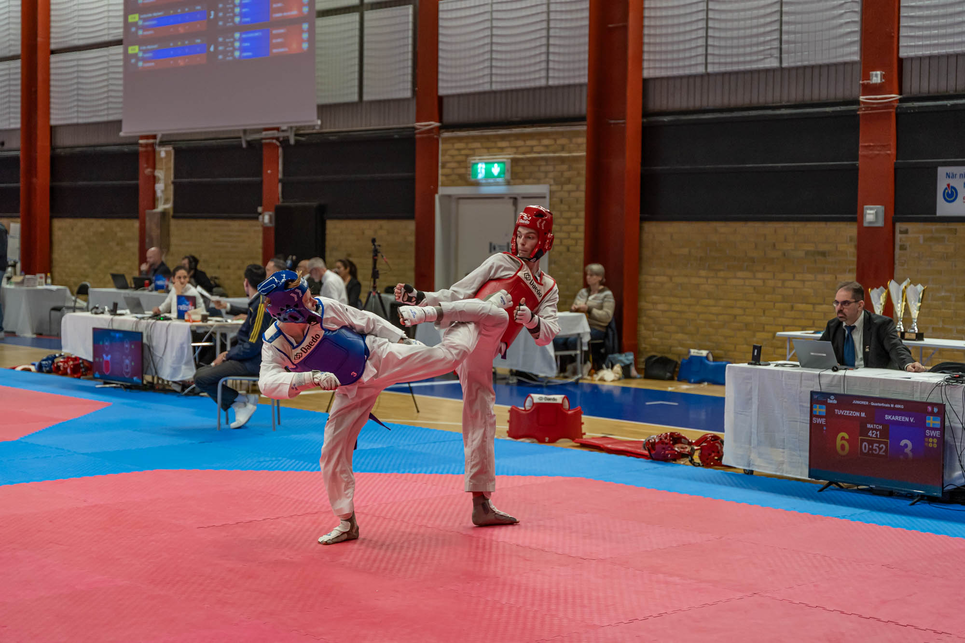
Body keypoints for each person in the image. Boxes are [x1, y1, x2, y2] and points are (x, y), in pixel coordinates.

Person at [257, 270, 512, 544]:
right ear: (290, 310)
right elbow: (266, 382)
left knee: (449, 357)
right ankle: (346, 522)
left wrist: (401, 339)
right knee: (332, 450)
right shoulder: (275, 344)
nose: (313, 300)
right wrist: (309, 378)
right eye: (306, 299)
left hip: (378, 356)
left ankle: (475, 314)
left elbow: (365, 319)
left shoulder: (325, 308)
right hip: (352, 389)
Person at [394, 205, 561, 526]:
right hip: (464, 327)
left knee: (482, 417)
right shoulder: (501, 262)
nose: (522, 242)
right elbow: (458, 292)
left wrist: (531, 320)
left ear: (544, 241)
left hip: (485, 347)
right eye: (520, 235)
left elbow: (548, 334)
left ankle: (481, 503)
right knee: (493, 312)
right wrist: (422, 296)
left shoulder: (548, 288)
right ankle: (415, 325)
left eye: (530, 237)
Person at [194, 264, 272, 428]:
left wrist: (227, 355)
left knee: (201, 378)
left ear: (246, 282)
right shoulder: (258, 303)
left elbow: (253, 345)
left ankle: (239, 402)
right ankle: (240, 401)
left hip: (253, 361)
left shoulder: (261, 306)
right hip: (248, 357)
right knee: (201, 373)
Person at [819, 281, 925, 372]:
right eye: (836, 303)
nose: (839, 308)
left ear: (860, 305)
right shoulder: (833, 326)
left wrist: (908, 364)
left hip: (872, 380)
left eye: (845, 303)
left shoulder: (881, 325)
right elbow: (819, 351)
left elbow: (896, 348)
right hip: (842, 379)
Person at [554, 263, 615, 373]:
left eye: (591, 275)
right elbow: (574, 309)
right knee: (557, 340)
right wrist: (573, 309)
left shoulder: (607, 294)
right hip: (578, 327)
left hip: (596, 328)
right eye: (587, 275)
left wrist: (589, 309)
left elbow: (607, 316)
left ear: (600, 277)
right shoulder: (582, 292)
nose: (588, 277)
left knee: (574, 341)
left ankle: (584, 363)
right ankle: (569, 363)